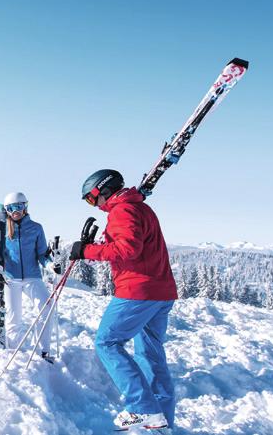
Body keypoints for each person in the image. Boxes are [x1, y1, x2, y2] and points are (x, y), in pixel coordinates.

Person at [71, 169, 178, 432]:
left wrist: (86, 250)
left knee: (107, 342)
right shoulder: (140, 208)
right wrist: (97, 242)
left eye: (91, 198)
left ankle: (142, 409)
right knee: (150, 353)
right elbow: (130, 243)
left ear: (103, 190)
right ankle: (161, 420)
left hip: (137, 291)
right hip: (160, 292)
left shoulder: (122, 210)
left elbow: (128, 249)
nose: (94, 205)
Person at [0, 191, 57, 362]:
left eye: (19, 206)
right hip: (11, 279)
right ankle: (15, 353)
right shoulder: (0, 230)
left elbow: (42, 254)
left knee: (46, 309)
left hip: (33, 277)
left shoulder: (36, 228)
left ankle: (43, 351)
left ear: (25, 206)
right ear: (6, 210)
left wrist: (50, 265)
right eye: (11, 208)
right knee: (13, 318)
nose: (15, 211)